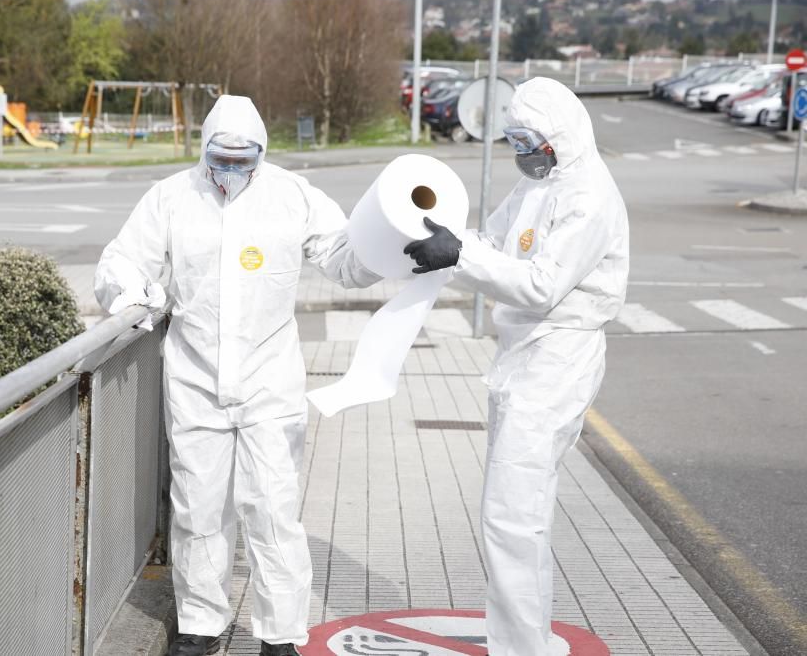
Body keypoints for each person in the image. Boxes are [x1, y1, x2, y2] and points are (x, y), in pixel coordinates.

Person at [94, 95, 380, 656]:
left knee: (272, 514)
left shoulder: (293, 196)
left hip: (270, 386)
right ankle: (200, 625)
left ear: (262, 153)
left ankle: (280, 636)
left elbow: (346, 260)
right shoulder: (172, 198)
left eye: (241, 161)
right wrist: (134, 295)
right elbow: (120, 262)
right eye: (219, 161)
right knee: (198, 511)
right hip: (196, 382)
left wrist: (393, 251)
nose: (229, 172)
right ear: (204, 153)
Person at [404, 77, 630, 656]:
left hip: (559, 355)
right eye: (514, 140)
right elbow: (490, 242)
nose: (523, 152)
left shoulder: (589, 197)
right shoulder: (542, 185)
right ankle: (523, 641)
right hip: (521, 357)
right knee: (512, 511)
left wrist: (461, 256)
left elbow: (540, 284)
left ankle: (522, 648)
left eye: (530, 140)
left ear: (560, 134)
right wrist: (447, 243)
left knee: (513, 512)